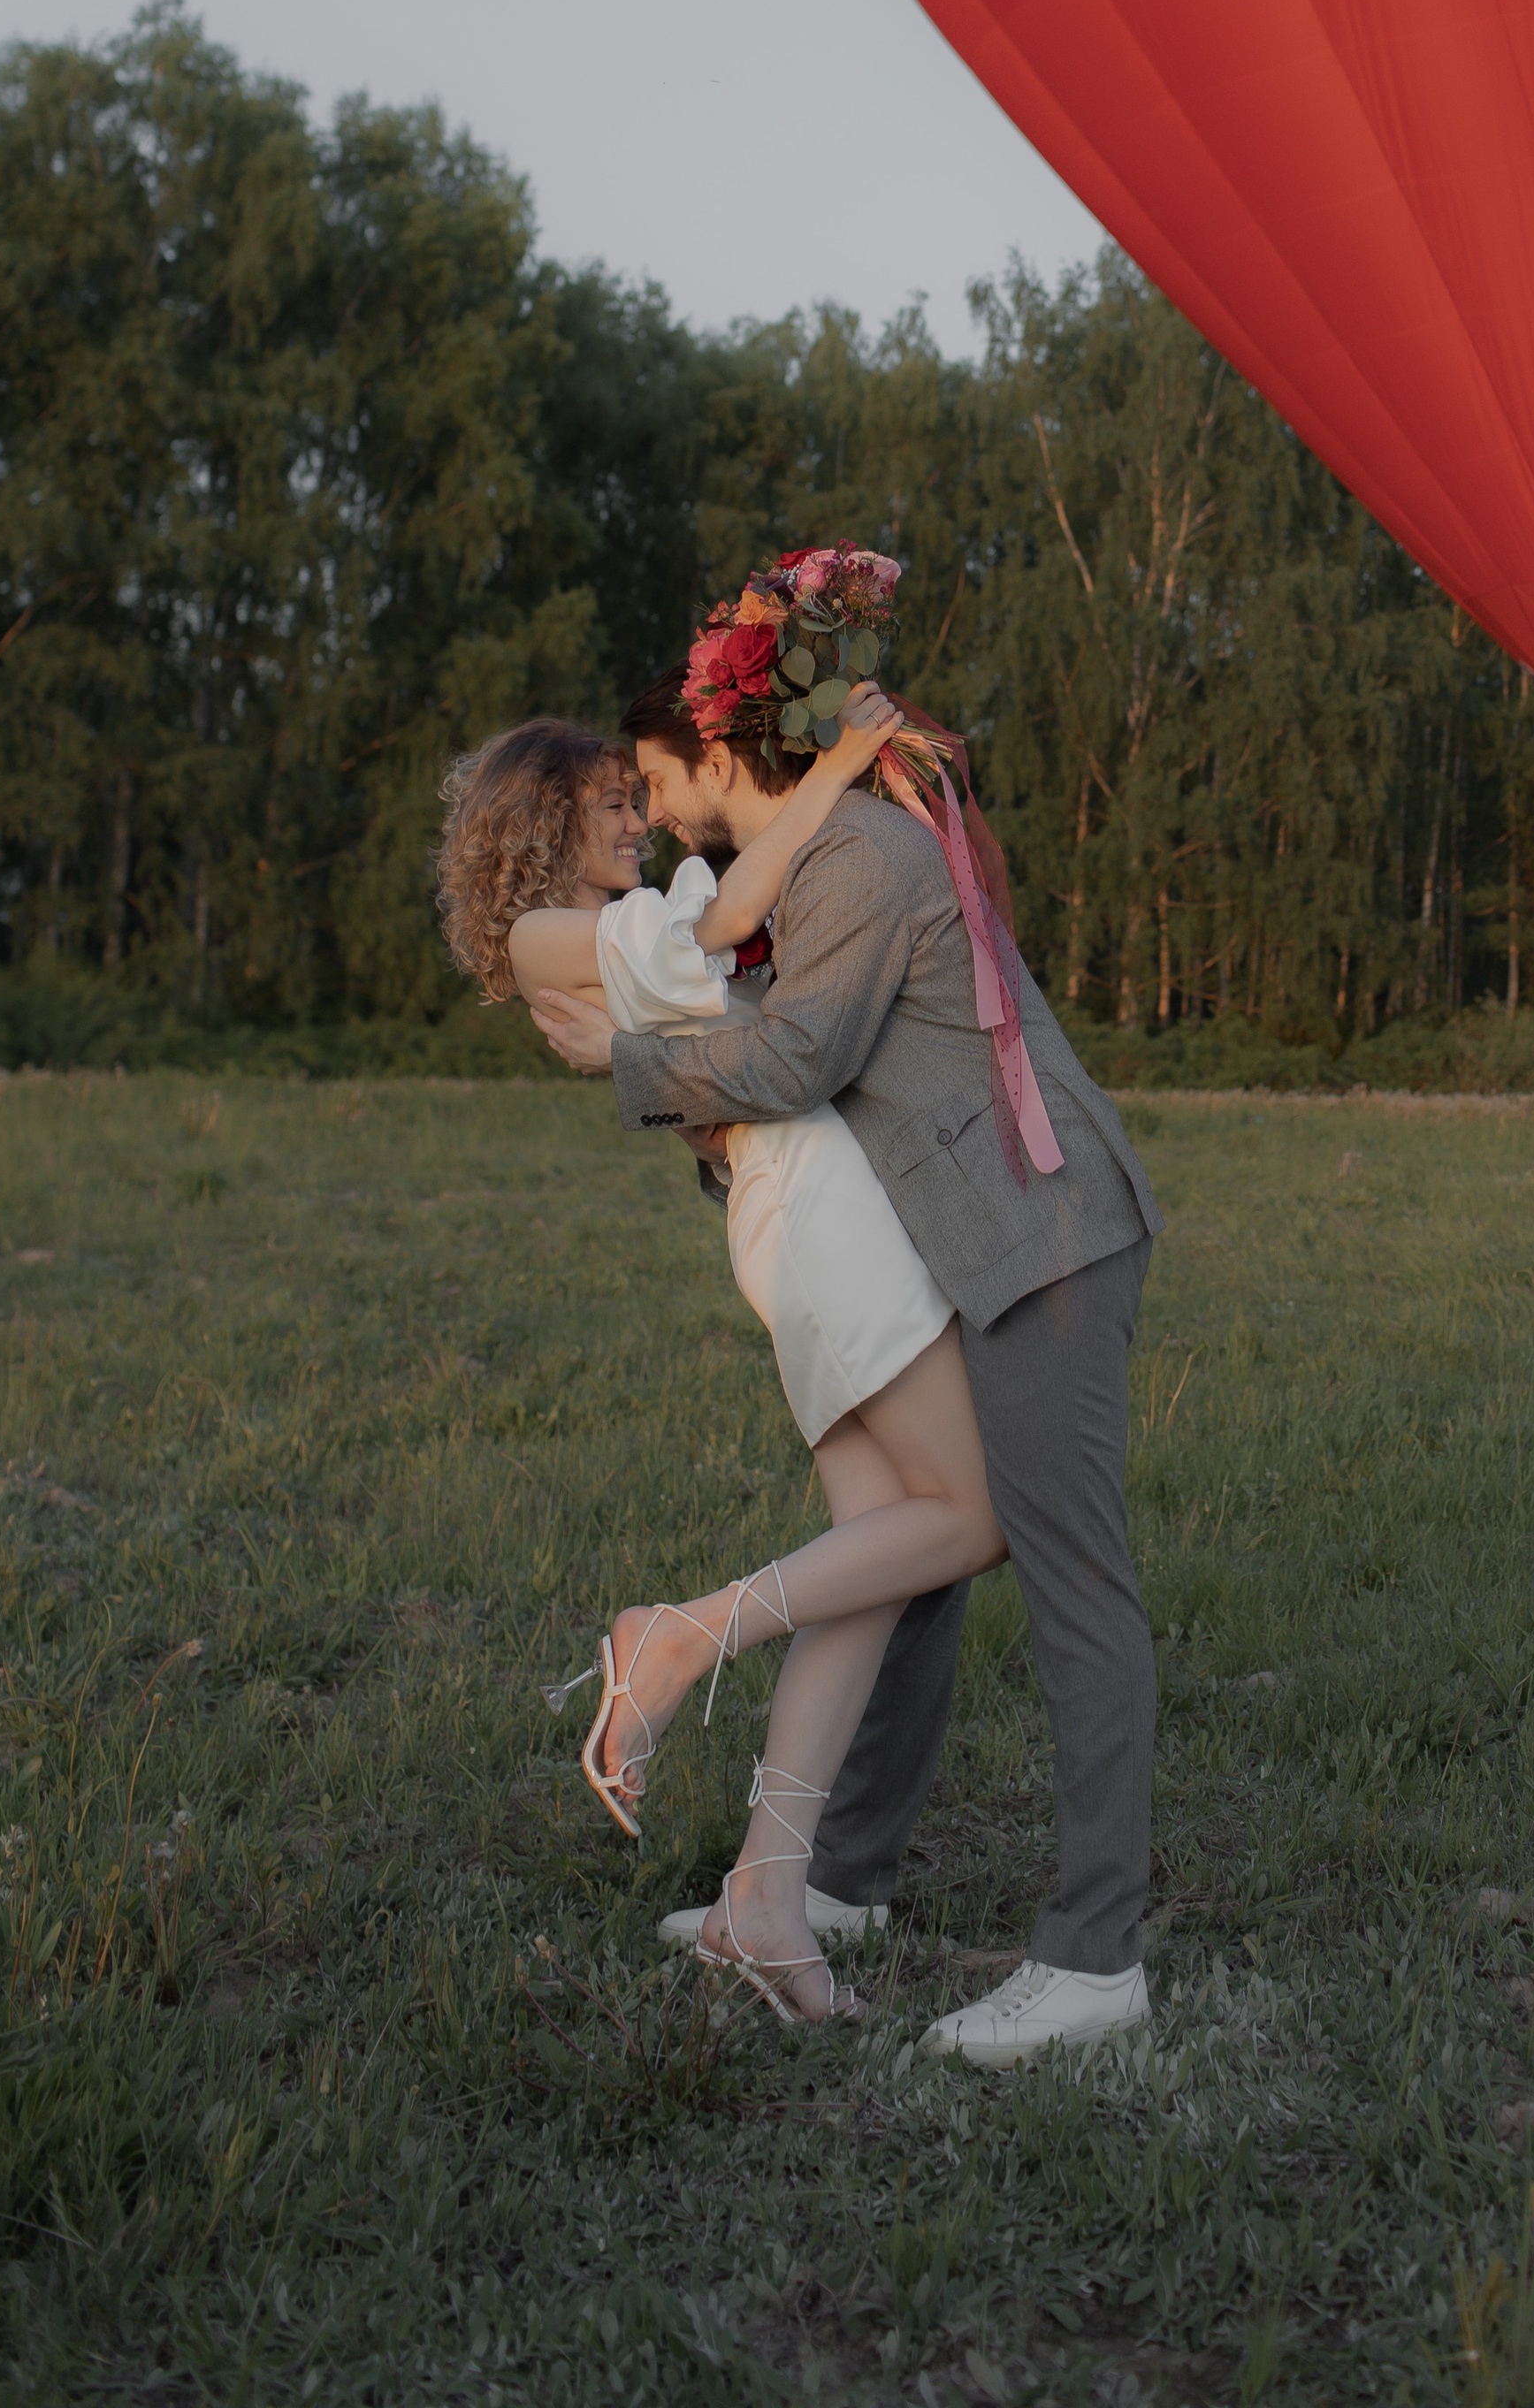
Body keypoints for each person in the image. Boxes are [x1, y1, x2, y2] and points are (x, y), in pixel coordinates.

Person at [530, 548, 1164, 2070]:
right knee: (920, 1560)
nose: (651, 810)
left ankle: (1095, 1963)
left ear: (716, 751)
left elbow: (796, 1058)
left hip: (1042, 1231)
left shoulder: (863, 859)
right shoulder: (822, 856)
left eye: (656, 778)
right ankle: (839, 1881)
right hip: (976, 1235)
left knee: (1069, 1578)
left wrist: (619, 1061)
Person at [436, 684, 1007, 2026]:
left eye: (633, 800)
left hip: (796, 1195)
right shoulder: (541, 935)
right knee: (970, 1517)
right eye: (609, 804)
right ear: (542, 824)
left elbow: (718, 1014)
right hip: (813, 1210)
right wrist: (842, 768)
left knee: (872, 1565)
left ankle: (766, 1896)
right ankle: (679, 1635)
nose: (635, 820)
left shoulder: (617, 922)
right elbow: (730, 921)